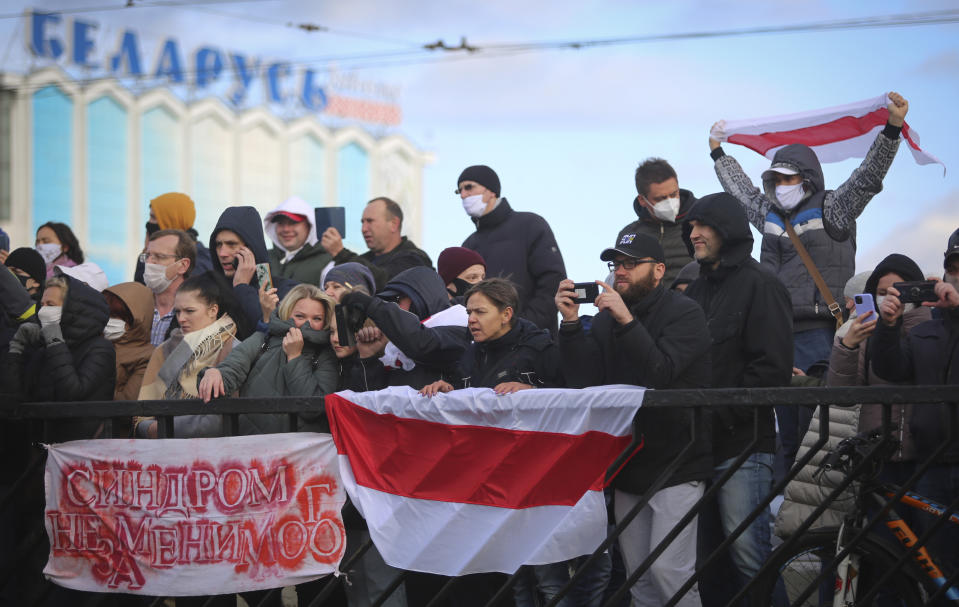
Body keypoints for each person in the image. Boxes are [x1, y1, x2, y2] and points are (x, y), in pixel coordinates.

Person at [708, 93, 910, 503]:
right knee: (786, 439)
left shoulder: (834, 209)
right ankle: (787, 527)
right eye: (775, 180)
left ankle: (824, 525)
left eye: (788, 178)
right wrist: (718, 155)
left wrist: (892, 129)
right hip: (777, 336)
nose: (780, 186)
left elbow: (867, 178)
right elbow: (741, 190)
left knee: (820, 435)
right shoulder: (766, 213)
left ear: (808, 178)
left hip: (822, 334)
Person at [555, 232, 711, 607]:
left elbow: (661, 373)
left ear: (658, 270)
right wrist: (573, 324)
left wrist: (625, 319)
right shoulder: (609, 319)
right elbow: (586, 383)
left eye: (629, 263)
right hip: (628, 462)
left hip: (678, 461)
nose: (620, 271)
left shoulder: (684, 311)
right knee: (640, 579)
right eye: (616, 264)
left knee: (669, 573)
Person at [420, 278, 569, 607]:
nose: (471, 318)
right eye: (469, 311)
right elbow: (472, 399)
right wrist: (450, 390)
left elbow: (574, 394)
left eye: (480, 311)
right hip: (493, 485)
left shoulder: (541, 347)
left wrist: (535, 393)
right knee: (511, 579)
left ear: (506, 314)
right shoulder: (472, 353)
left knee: (548, 579)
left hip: (538, 482)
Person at [681, 192, 793, 604]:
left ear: (725, 228)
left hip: (742, 446)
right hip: (699, 450)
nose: (692, 234)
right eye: (690, 227)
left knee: (750, 559)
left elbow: (772, 371)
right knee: (707, 563)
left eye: (700, 225)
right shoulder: (692, 293)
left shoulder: (762, 284)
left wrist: (716, 415)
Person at [775, 254, 932, 540]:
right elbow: (842, 393)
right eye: (882, 293)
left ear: (916, 292)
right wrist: (847, 346)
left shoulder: (932, 329)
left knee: (929, 547)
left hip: (926, 457)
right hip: (878, 457)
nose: (891, 298)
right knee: (883, 546)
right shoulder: (862, 331)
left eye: (899, 291)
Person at [870, 257, 959, 577]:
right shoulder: (924, 331)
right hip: (931, 464)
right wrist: (889, 325)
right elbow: (889, 368)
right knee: (936, 569)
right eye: (955, 267)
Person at [196, 284, 338, 435]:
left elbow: (313, 408)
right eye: (300, 316)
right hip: (254, 447)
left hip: (302, 452)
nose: (307, 324)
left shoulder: (326, 354)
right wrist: (214, 374)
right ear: (286, 313)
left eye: (317, 318)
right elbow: (231, 371)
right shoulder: (260, 341)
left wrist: (295, 357)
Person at [2, 274, 116, 440]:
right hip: (42, 446)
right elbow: (15, 398)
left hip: (79, 449)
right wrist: (16, 349)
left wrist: (54, 339)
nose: (44, 311)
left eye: (51, 305)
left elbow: (72, 393)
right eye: (42, 305)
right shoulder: (44, 347)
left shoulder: (100, 349)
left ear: (71, 308)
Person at [457, 165, 567, 333]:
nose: (463, 195)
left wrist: (520, 327)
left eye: (469, 187)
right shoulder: (469, 245)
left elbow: (552, 282)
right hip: (486, 349)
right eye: (460, 191)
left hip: (535, 345)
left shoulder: (530, 225)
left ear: (491, 191)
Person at [136, 272, 241, 439]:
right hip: (163, 449)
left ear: (213, 310)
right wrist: (150, 429)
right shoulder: (163, 350)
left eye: (189, 311)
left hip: (215, 452)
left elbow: (220, 421)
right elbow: (141, 414)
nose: (181, 318)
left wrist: (163, 429)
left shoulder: (233, 349)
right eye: (177, 312)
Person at [340, 266, 469, 391]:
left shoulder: (460, 328)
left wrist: (373, 306)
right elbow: (369, 403)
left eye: (397, 299)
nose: (394, 307)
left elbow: (420, 342)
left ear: (422, 300)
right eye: (389, 303)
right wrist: (368, 358)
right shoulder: (395, 351)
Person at [209, 205, 296, 337]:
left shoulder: (285, 290)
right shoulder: (207, 289)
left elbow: (267, 335)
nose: (222, 253)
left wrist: (241, 287)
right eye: (218, 244)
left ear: (251, 248)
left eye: (231, 244)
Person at [321, 197, 432, 291]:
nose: (364, 229)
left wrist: (341, 254)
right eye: (362, 222)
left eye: (370, 221)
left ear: (394, 224)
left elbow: (386, 283)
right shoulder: (364, 259)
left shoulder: (415, 259)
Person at [619, 158, 697, 287]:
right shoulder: (631, 235)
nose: (669, 202)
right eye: (660, 199)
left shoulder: (702, 221)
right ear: (642, 200)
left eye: (673, 194)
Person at [136, 192, 213, 282]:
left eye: (153, 217)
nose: (149, 222)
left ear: (171, 219)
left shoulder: (200, 260)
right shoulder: (151, 252)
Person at [102, 281, 156, 404]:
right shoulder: (96, 344)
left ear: (137, 320)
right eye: (107, 315)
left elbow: (128, 403)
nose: (110, 321)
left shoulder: (148, 356)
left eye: (117, 316)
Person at [142, 229, 196, 345]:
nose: (149, 262)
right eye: (147, 256)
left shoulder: (197, 313)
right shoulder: (135, 306)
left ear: (183, 265)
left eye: (159, 256)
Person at [264, 196, 333, 285]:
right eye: (281, 223)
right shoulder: (263, 259)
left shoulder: (328, 262)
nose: (286, 229)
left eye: (293, 223)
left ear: (310, 226)